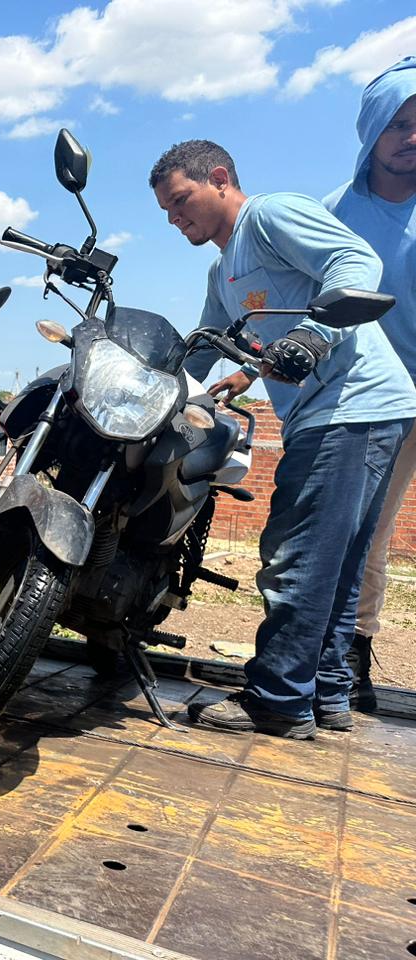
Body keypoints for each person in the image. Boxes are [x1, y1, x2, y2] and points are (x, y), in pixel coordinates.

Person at [148, 139, 416, 738]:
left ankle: (276, 698)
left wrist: (315, 336)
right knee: (337, 563)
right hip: (362, 412)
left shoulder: (269, 216)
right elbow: (203, 347)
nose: (174, 218)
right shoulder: (224, 271)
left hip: (350, 406)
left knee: (300, 556)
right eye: (166, 211)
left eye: (181, 200)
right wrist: (151, 383)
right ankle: (326, 694)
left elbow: (356, 262)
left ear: (219, 178)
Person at [324, 57, 416, 714]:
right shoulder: (335, 212)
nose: (413, 138)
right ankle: (347, 649)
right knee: (365, 530)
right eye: (400, 124)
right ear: (372, 132)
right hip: (371, 398)